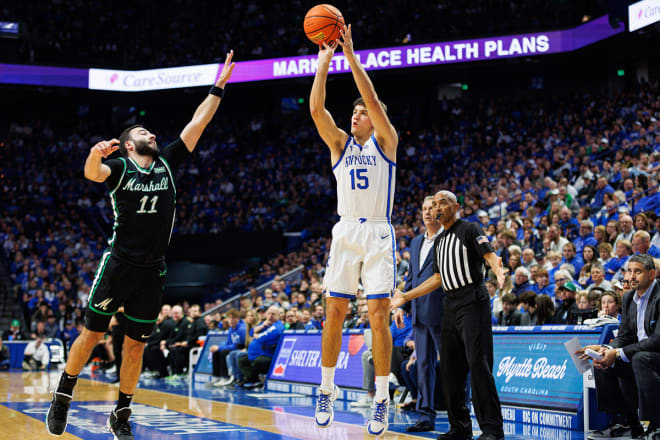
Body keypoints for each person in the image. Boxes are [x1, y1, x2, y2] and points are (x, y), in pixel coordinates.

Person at [45, 52, 236, 439]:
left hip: (153, 270)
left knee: (135, 348)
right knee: (92, 333)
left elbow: (198, 122)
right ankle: (64, 393)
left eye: (151, 133)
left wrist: (218, 86)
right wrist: (94, 154)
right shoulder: (119, 168)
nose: (152, 135)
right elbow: (91, 173)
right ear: (129, 145)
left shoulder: (166, 160)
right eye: (143, 133)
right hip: (119, 264)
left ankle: (121, 413)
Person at [309, 24, 398, 436]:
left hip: (378, 232)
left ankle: (381, 398)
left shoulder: (385, 141)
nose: (355, 115)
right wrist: (323, 65)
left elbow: (375, 100)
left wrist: (350, 56)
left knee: (378, 316)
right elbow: (316, 111)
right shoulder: (341, 145)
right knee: (335, 313)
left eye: (360, 112)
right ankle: (325, 388)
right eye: (354, 112)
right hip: (345, 231)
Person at [391, 190, 506, 440]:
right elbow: (437, 278)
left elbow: (489, 255)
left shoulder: (470, 229)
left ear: (456, 207)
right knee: (451, 369)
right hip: (450, 304)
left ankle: (492, 429)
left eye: (442, 203)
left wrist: (498, 269)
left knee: (478, 365)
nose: (436, 208)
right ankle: (460, 428)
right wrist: (406, 296)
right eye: (433, 205)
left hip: (472, 300)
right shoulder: (440, 241)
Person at [577, 254, 660, 440]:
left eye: (637, 271)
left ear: (652, 274)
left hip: (655, 356)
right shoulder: (629, 297)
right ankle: (626, 423)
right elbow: (624, 335)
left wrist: (618, 352)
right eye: (629, 271)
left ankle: (655, 425)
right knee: (603, 364)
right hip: (639, 355)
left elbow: (657, 340)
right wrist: (607, 349)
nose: (631, 276)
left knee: (640, 359)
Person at [393, 195, 445, 433]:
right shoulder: (415, 243)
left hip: (445, 312)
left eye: (431, 208)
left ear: (440, 212)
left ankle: (459, 414)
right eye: (423, 208)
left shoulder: (448, 238)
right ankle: (425, 416)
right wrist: (402, 306)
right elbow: (411, 279)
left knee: (454, 366)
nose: (426, 213)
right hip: (419, 315)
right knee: (423, 366)